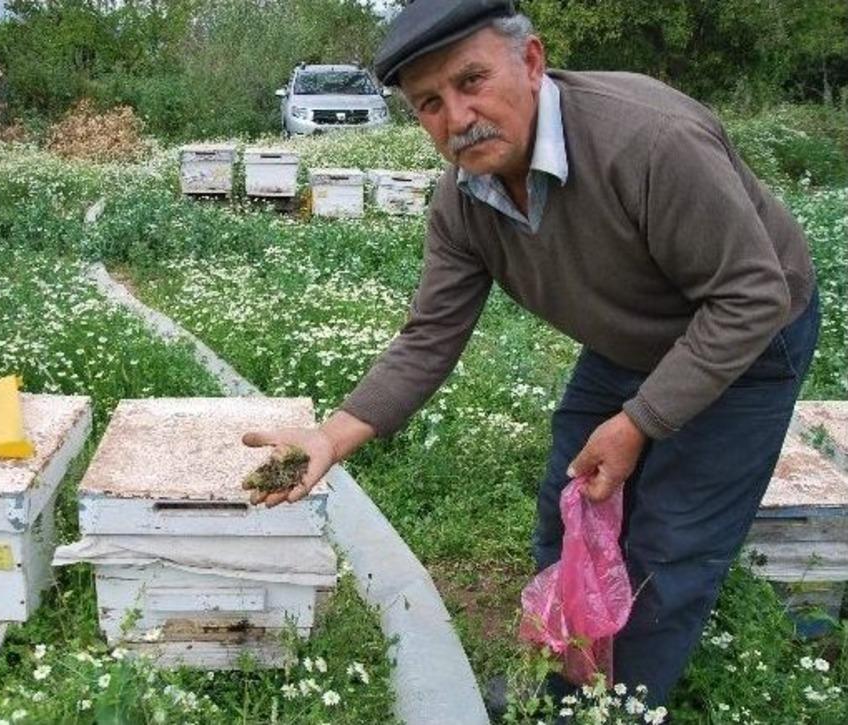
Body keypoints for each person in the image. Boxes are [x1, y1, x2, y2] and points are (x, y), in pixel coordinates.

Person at [242, 0, 819, 707]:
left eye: (471, 81)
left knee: (669, 546)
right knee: (566, 506)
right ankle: (562, 679)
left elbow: (751, 296)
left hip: (750, 335)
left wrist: (640, 421)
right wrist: (330, 436)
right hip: (629, 337)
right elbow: (429, 336)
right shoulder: (464, 200)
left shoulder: (648, 141)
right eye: (429, 103)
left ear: (533, 62)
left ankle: (614, 707)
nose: (456, 118)